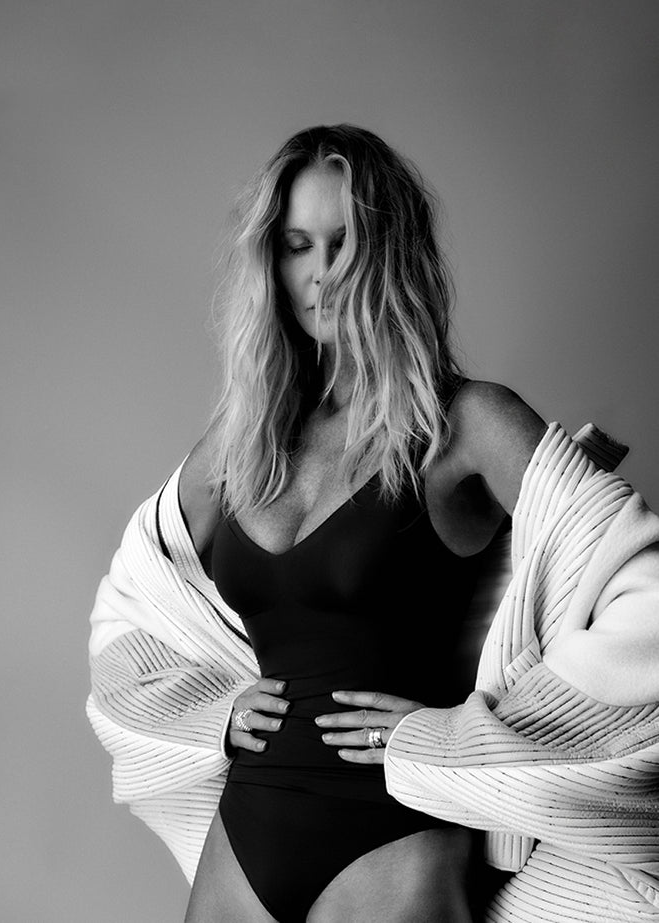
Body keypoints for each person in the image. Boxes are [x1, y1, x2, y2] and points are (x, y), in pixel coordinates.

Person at [87, 124, 659, 923]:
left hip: (394, 838)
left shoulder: (465, 424)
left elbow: (644, 593)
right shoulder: (246, 441)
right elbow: (133, 603)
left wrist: (456, 741)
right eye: (296, 246)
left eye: (343, 243)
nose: (319, 273)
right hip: (246, 834)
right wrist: (212, 715)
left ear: (388, 254)